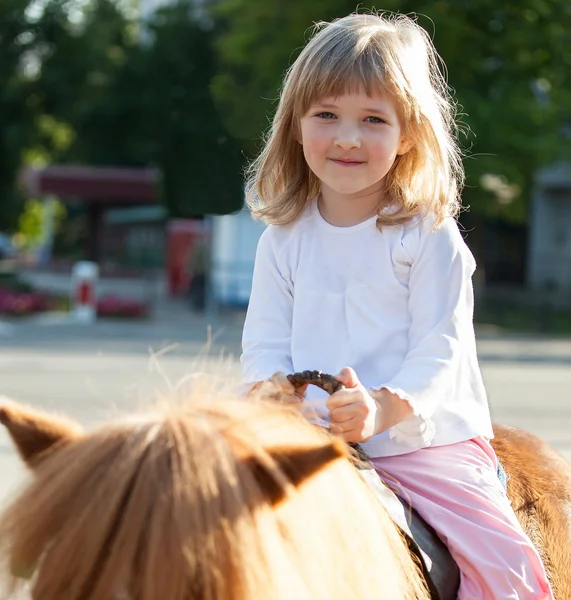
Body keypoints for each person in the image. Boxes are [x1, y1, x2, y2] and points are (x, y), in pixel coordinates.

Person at [240, 12, 553, 600]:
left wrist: (384, 408)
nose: (348, 137)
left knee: (507, 571)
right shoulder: (281, 238)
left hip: (421, 443)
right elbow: (262, 345)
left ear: (408, 133)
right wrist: (275, 395)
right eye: (326, 115)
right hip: (308, 436)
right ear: (296, 125)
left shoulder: (428, 235)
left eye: (373, 119)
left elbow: (441, 348)